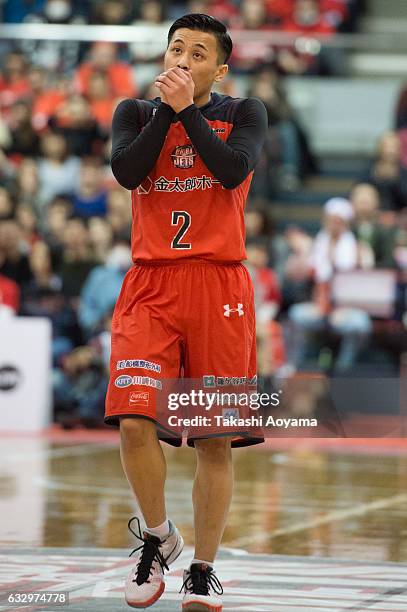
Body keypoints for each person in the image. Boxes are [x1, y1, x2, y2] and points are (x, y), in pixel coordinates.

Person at [105, 13, 267, 611]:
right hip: (151, 285)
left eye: (198, 53)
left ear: (219, 69)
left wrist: (187, 112)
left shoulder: (245, 112)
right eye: (176, 48)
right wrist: (167, 113)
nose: (183, 59)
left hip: (219, 287)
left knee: (214, 441)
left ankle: (202, 567)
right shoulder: (133, 113)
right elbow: (127, 172)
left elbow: (231, 170)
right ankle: (156, 536)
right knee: (131, 418)